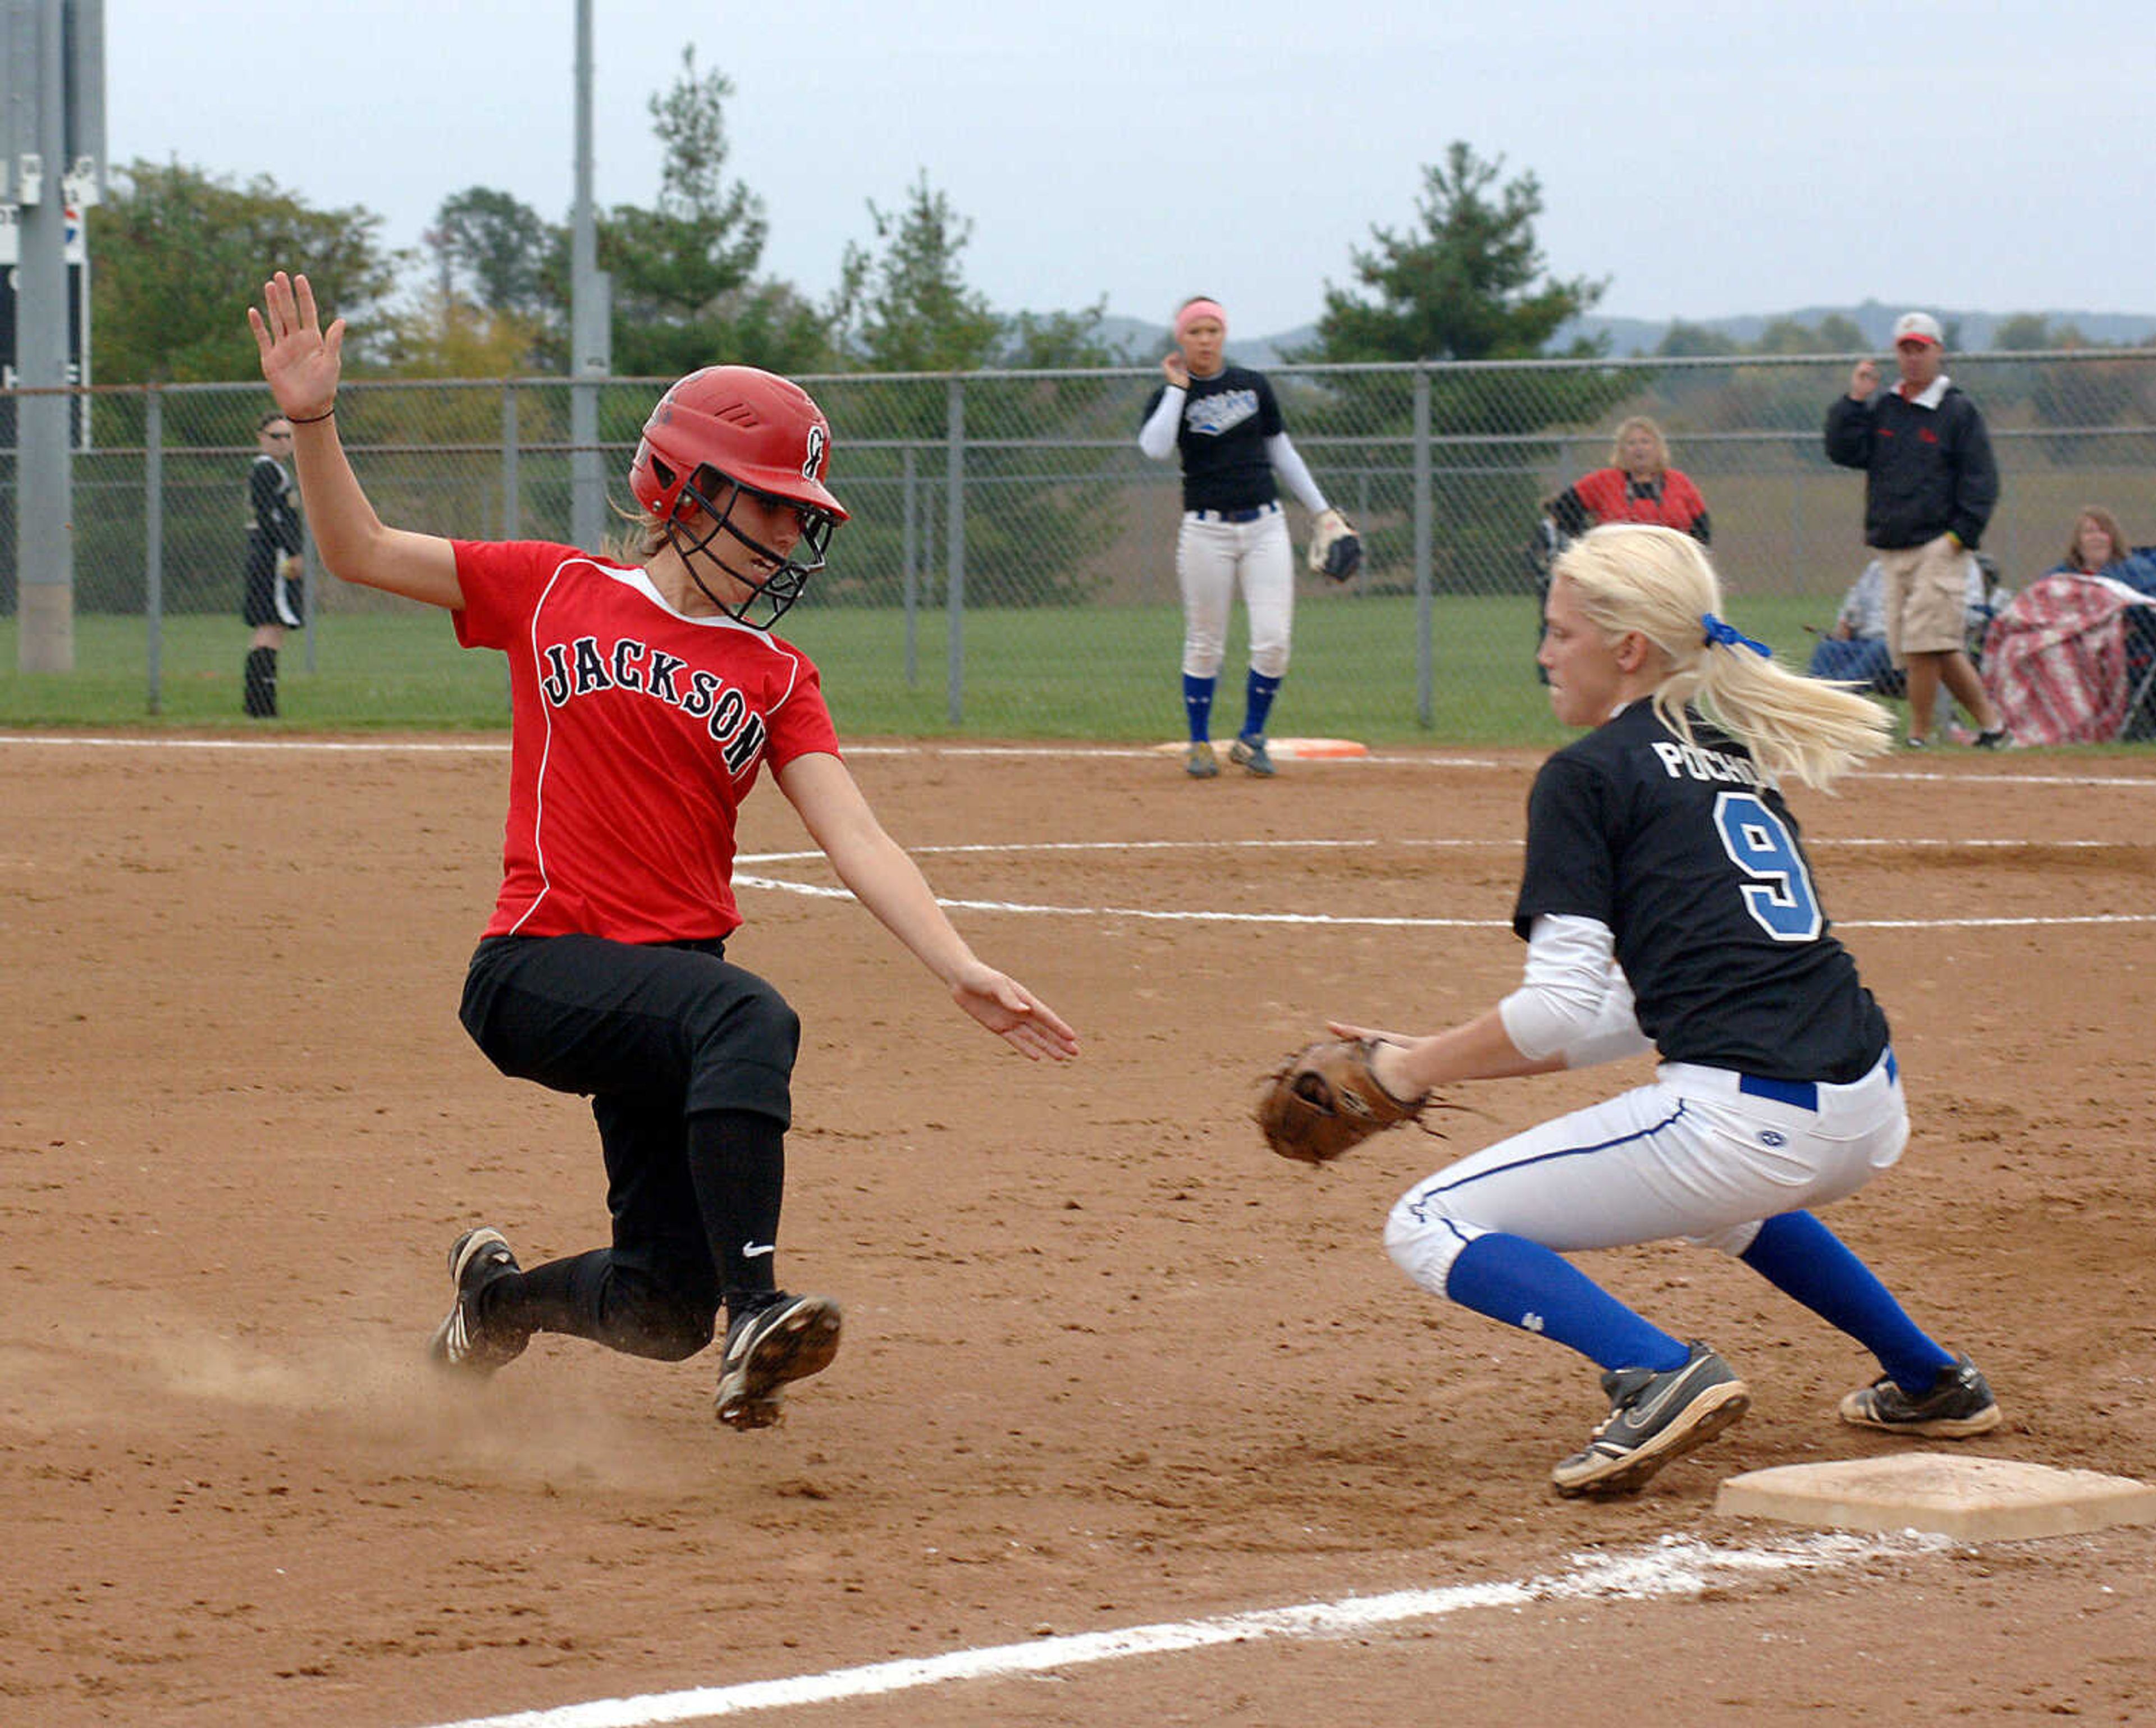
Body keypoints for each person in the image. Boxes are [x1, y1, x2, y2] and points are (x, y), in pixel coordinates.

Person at [249, 269, 1079, 1430]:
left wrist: (960, 965)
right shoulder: (555, 589)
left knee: (659, 1305)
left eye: (805, 512)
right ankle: (760, 1313)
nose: (798, 532)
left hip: (660, 1001)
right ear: (688, 488)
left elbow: (858, 835)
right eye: (777, 504)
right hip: (538, 965)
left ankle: (496, 1312)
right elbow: (361, 551)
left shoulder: (778, 674)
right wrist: (313, 421)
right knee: (748, 1016)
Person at [1321, 524, 2000, 1500]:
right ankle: (1932, 1377)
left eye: (1560, 632)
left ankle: (1655, 1368)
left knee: (1427, 1219)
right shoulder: (1731, 757)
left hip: (1751, 1123)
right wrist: (1424, 1048)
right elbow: (1639, 1016)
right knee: (1723, 1204)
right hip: (1866, 1105)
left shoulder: (1589, 774)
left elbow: (1555, 1007)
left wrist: (1410, 1071)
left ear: (1627, 648)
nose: (1545, 652)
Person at [1138, 295, 1337, 779]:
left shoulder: (1252, 385)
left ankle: (1251, 737)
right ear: (1180, 339)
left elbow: (1281, 452)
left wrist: (1322, 511)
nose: (1205, 340)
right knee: (1206, 641)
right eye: (1195, 332)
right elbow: (1155, 447)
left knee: (1273, 640)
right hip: (1206, 529)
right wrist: (1176, 390)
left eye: (1213, 331)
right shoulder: (1172, 393)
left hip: (1264, 525)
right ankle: (1200, 742)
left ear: (1223, 335)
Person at [1824, 310, 2009, 749]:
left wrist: (1958, 537)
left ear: (1938, 352)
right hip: (1893, 545)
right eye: (1905, 349)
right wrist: (1854, 401)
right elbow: (1844, 451)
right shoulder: (1885, 407)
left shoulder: (1957, 411)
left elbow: (1982, 481)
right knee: (1929, 645)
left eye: (1921, 349)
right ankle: (1993, 726)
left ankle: (1918, 734)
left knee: (1925, 642)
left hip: (1939, 544)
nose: (1912, 358)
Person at [1545, 416, 1711, 546]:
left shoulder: (1679, 481)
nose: (1639, 448)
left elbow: (1702, 528)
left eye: (1645, 442)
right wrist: (1588, 542)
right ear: (1622, 450)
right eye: (1631, 443)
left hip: (1669, 565)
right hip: (1619, 567)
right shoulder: (1604, 481)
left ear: (1658, 447)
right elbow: (1562, 509)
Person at [241, 410, 305, 717]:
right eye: (275, 436)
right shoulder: (266, 470)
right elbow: (270, 517)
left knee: (273, 628)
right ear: (261, 439)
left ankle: (259, 703)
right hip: (272, 557)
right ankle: (261, 705)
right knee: (271, 626)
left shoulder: (276, 471)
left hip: (269, 554)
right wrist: (292, 551)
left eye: (287, 437)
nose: (282, 442)